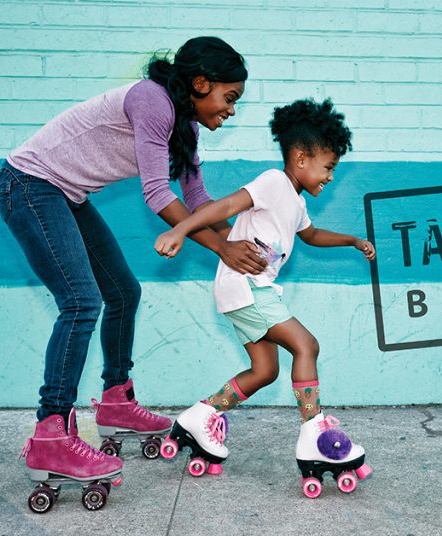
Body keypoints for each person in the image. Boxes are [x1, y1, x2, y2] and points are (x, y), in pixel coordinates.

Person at [0, 36, 267, 508]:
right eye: (230, 99)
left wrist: (243, 236)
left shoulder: (185, 126)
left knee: (122, 291)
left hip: (65, 196)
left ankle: (117, 401)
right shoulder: (151, 101)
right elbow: (157, 195)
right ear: (201, 83)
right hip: (30, 185)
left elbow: (198, 202)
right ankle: (50, 434)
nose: (230, 112)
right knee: (82, 302)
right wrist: (223, 248)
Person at [153, 98, 375, 498]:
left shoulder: (297, 200)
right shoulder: (273, 182)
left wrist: (353, 241)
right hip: (245, 286)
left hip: (246, 290)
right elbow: (225, 205)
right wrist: (181, 230)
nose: (330, 177)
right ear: (301, 157)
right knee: (306, 344)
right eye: (328, 167)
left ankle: (199, 417)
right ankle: (313, 436)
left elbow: (311, 235)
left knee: (265, 371)